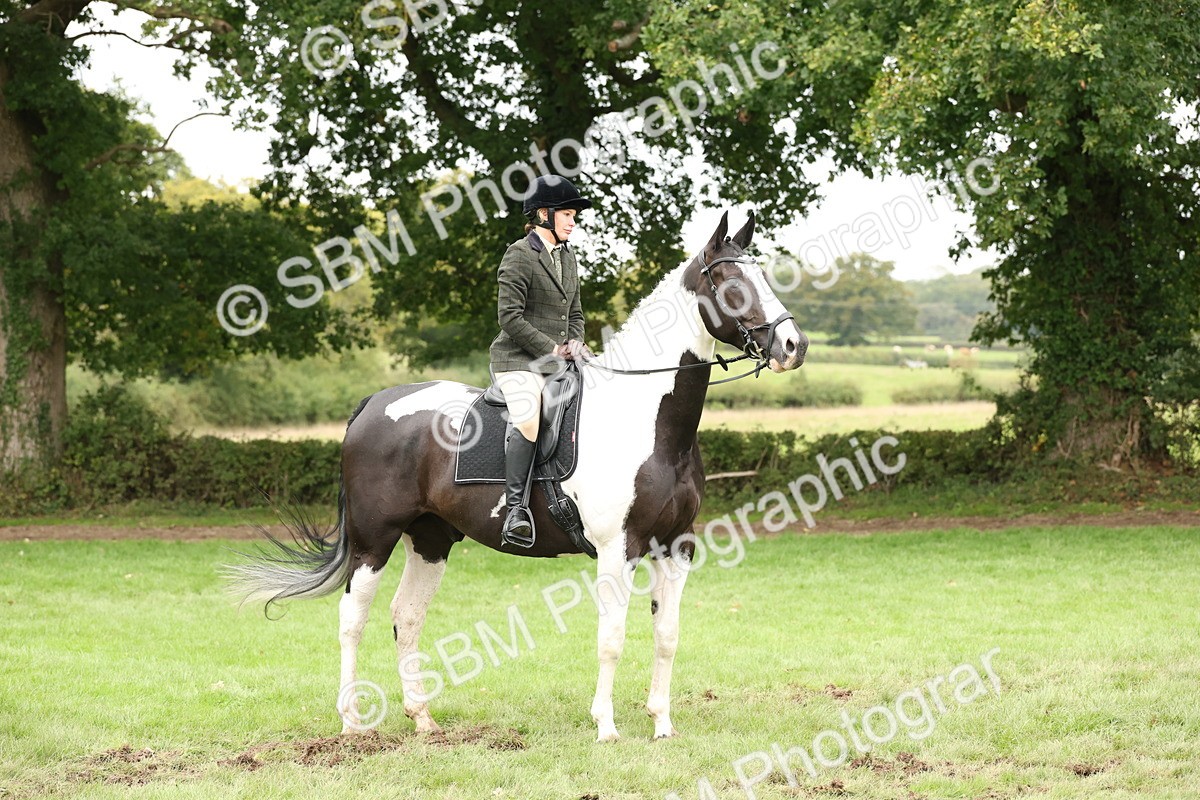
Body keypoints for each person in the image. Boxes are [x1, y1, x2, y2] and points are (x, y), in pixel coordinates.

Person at [489, 175, 593, 547]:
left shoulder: (568, 256)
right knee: (528, 416)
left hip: (561, 359)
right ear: (544, 215)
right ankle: (516, 510)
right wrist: (552, 348)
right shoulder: (519, 254)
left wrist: (577, 343)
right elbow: (510, 318)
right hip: (519, 360)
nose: (572, 221)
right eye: (567, 214)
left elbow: (575, 312)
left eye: (573, 215)